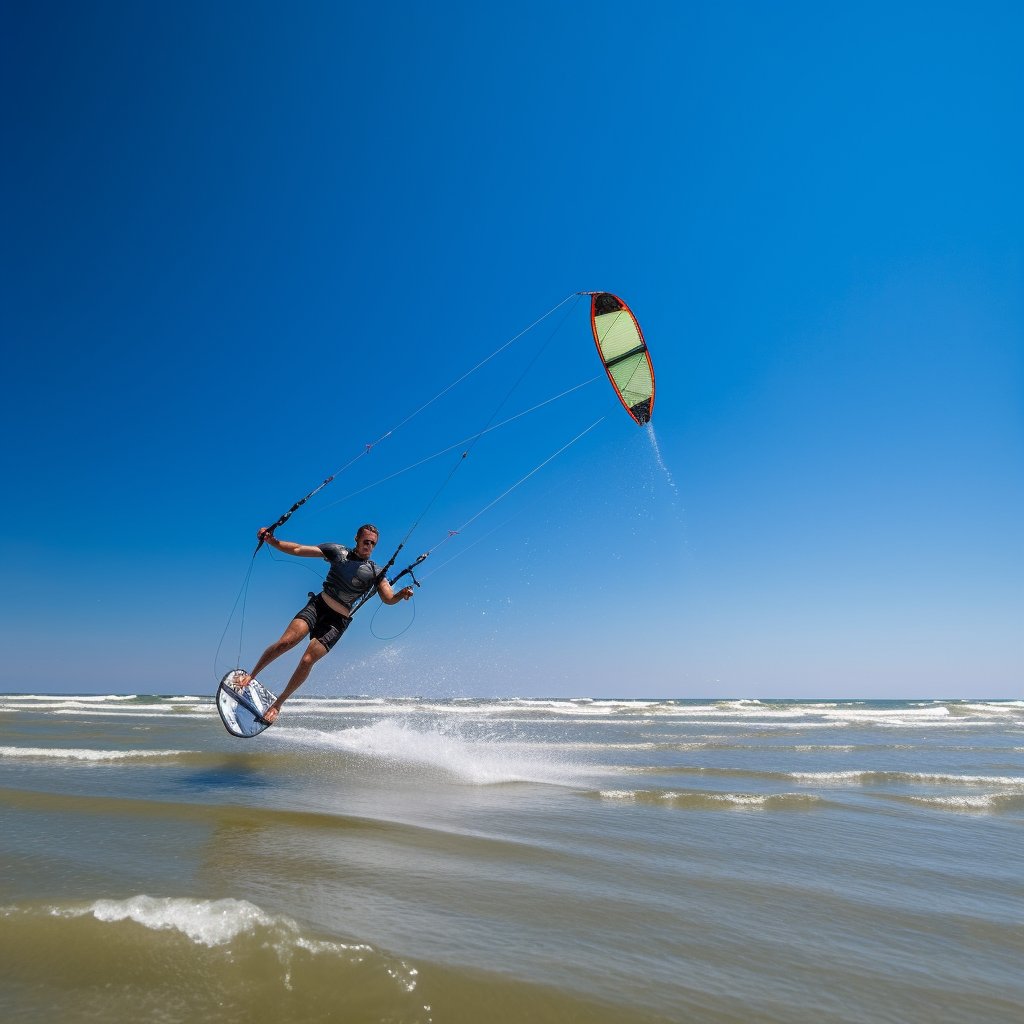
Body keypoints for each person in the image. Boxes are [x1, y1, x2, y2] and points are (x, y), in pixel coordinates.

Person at [240, 523, 413, 723]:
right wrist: (272, 541)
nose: (369, 546)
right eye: (365, 541)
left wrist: (401, 594)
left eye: (372, 544)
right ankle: (251, 675)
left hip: (337, 622)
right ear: (356, 539)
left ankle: (278, 704)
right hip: (318, 606)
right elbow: (297, 549)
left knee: (307, 661)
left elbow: (388, 598)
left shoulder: (376, 571)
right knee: (285, 643)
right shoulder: (337, 552)